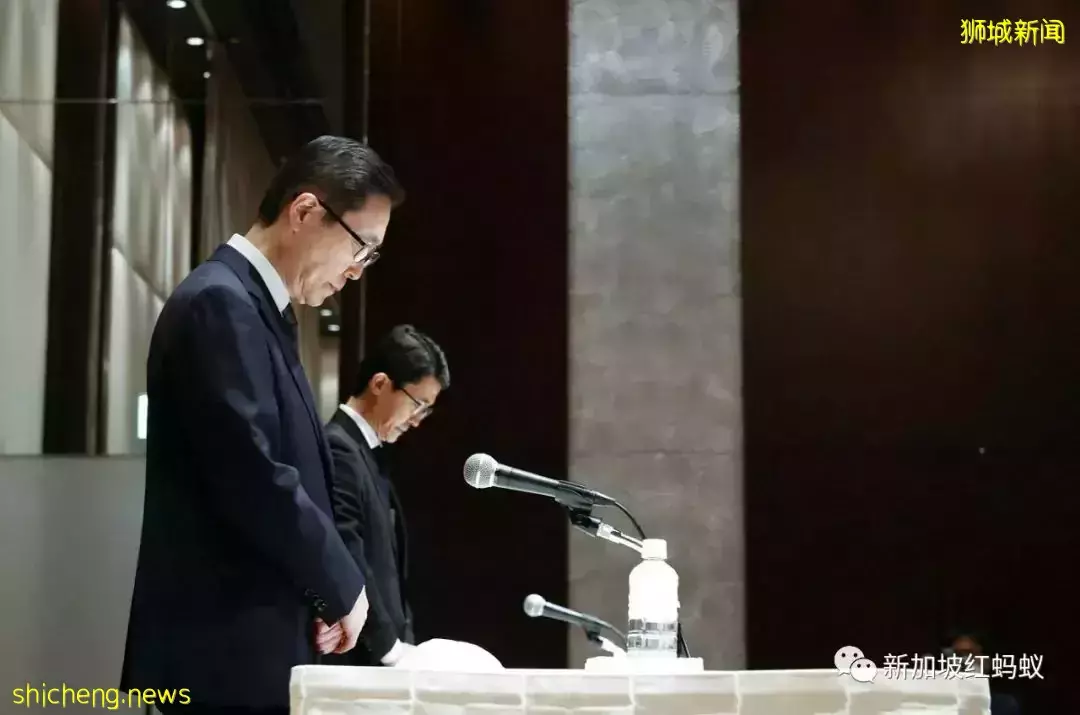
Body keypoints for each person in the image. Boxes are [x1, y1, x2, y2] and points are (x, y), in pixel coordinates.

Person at [120, 136, 405, 714]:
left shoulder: (258, 311)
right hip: (218, 658)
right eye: (361, 247)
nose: (357, 271)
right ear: (305, 211)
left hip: (247, 651)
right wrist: (342, 586)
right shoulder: (220, 303)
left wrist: (320, 595)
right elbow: (255, 476)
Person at [323, 325, 450, 667]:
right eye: (417, 405)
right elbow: (349, 555)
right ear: (380, 384)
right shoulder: (339, 447)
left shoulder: (367, 451)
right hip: (361, 661)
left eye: (426, 411)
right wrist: (389, 649)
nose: (417, 421)